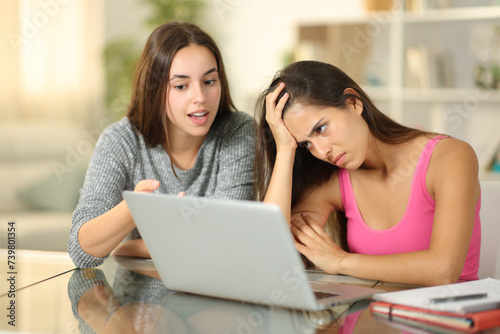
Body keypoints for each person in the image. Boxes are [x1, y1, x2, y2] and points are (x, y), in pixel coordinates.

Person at [255, 60, 481, 286]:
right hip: (372, 317)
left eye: (321, 128)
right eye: (306, 144)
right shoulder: (334, 183)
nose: (322, 151)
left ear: (354, 103)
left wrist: (341, 262)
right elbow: (271, 250)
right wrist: (285, 150)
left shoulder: (450, 157)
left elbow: (443, 270)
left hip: (450, 318)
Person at [69, 22, 255, 268]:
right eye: (181, 86)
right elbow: (82, 252)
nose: (200, 97)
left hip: (217, 297)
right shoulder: (120, 140)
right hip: (136, 301)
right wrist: (135, 207)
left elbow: (225, 241)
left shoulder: (239, 131)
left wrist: (130, 248)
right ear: (154, 89)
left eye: (209, 81)